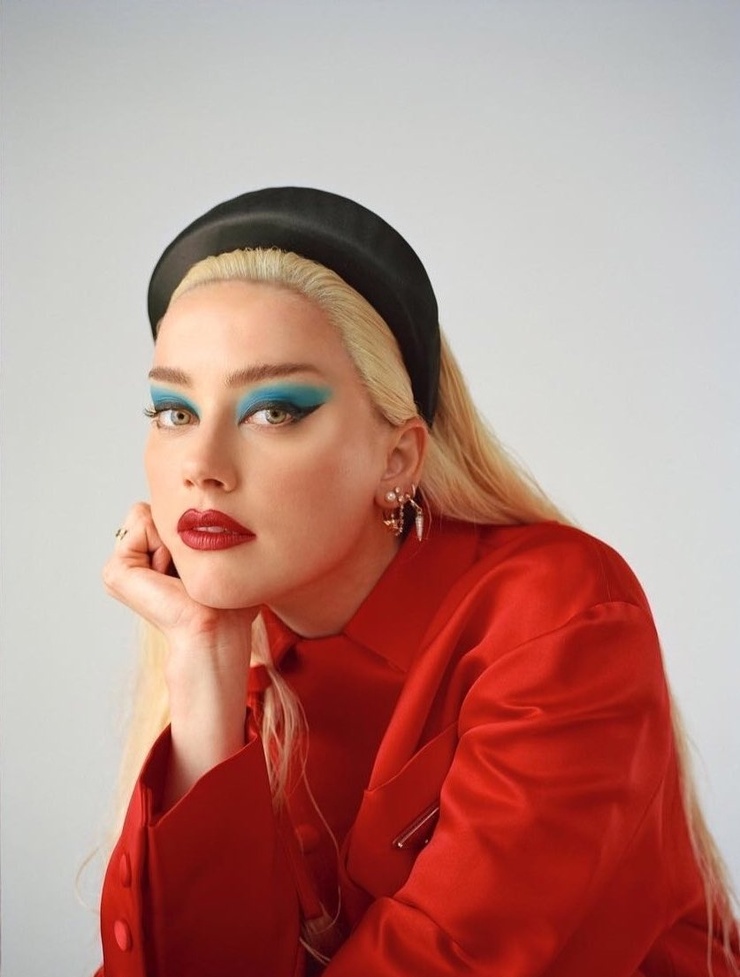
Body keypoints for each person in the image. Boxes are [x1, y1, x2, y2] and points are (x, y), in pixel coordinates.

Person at [97, 187, 738, 977]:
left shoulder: (557, 613)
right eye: (174, 411)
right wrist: (204, 658)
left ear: (397, 457)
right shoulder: (235, 653)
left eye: (274, 410)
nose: (201, 466)